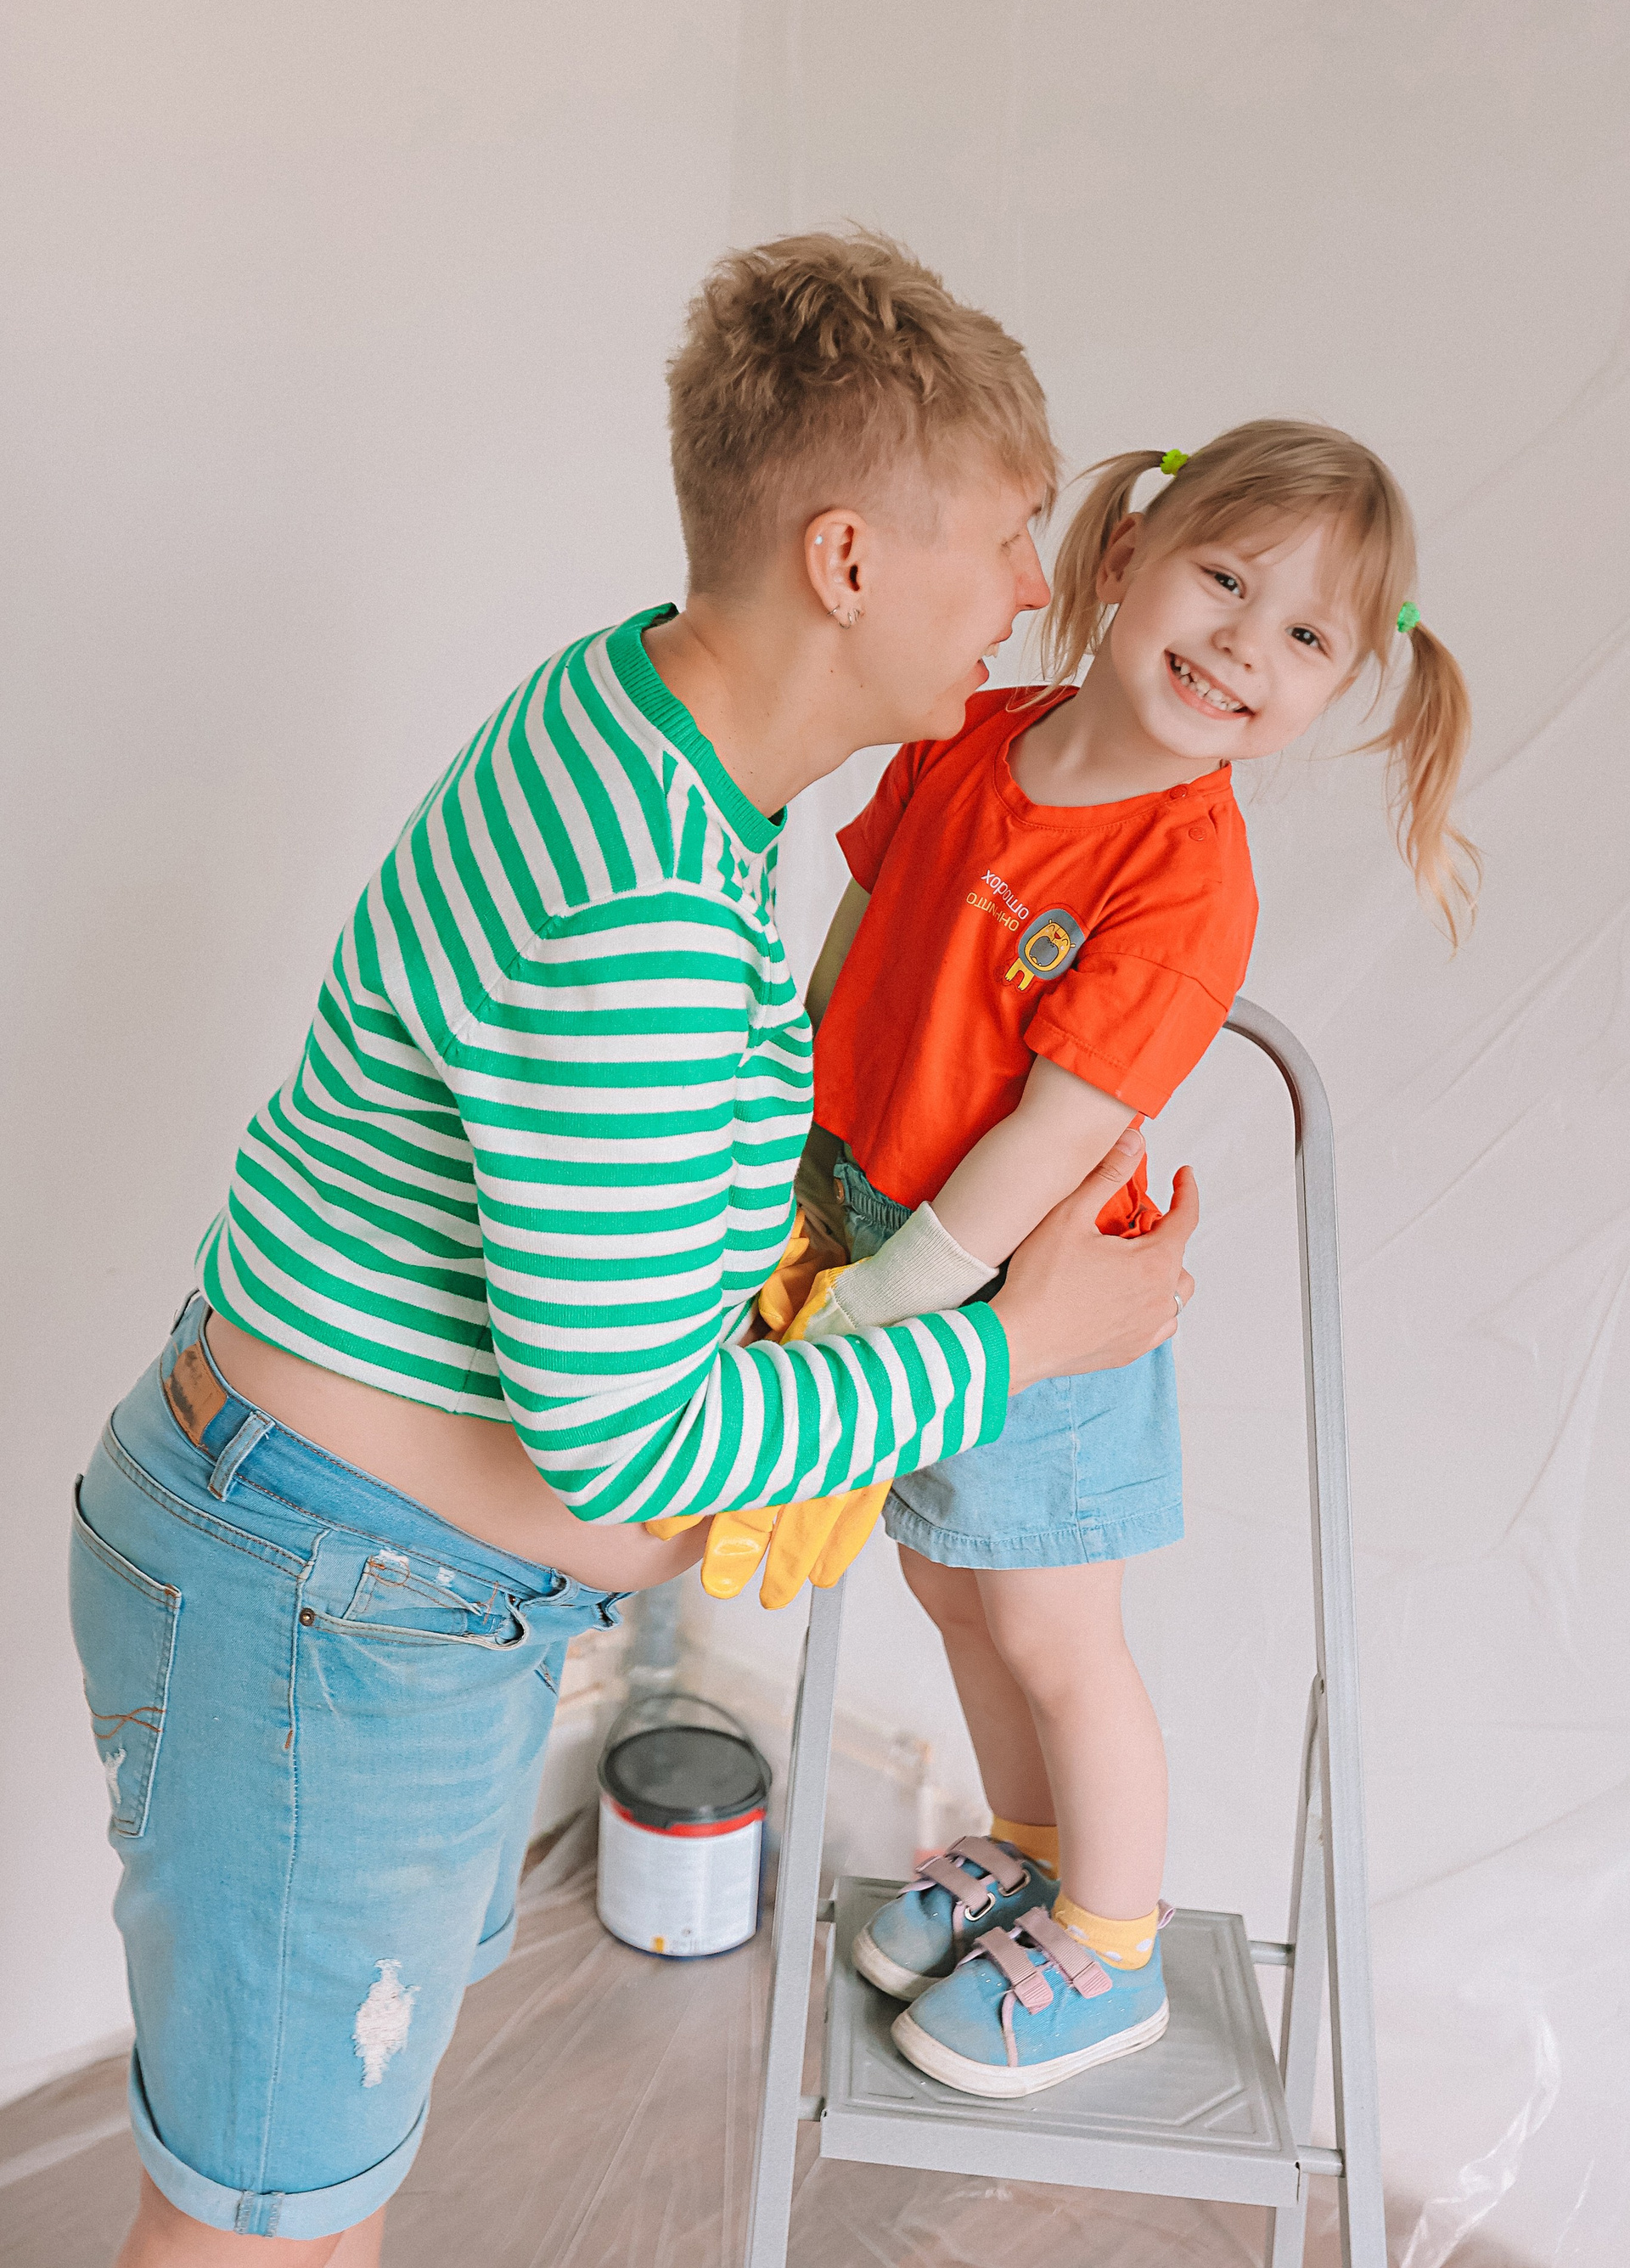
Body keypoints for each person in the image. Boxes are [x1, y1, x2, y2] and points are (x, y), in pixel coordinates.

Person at [70, 232, 1199, 2266]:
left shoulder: (633, 712)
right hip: (335, 1610)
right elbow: (630, 1446)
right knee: (252, 2231)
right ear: (848, 561)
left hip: (339, 1574)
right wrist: (1016, 1343)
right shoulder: (651, 913)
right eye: (1009, 537)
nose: (1036, 592)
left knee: (309, 2199)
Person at [793, 420, 1476, 2097]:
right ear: (1124, 560)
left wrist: (892, 1299)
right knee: (947, 1580)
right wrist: (787, 1143)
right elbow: (859, 936)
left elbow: (1048, 1136)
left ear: (1334, 687)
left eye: (1303, 633)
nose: (1244, 644)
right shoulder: (976, 732)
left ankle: (1111, 1942)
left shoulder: (1186, 876)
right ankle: (1029, 1846)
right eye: (1224, 579)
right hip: (873, 1234)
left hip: (1026, 1292)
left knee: (1052, 1626)